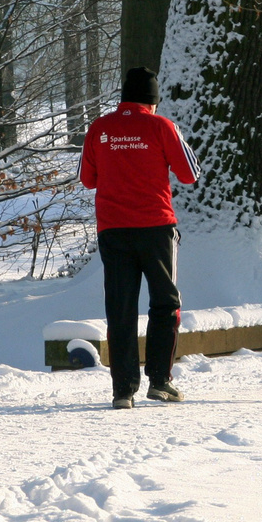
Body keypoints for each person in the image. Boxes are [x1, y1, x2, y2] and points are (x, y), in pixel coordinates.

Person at [79, 67, 201, 409]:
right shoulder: (161, 126)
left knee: (120, 307)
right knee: (165, 303)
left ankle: (123, 390)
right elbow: (190, 174)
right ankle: (160, 380)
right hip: (156, 228)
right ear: (153, 98)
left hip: (113, 230)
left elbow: (87, 180)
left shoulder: (100, 128)